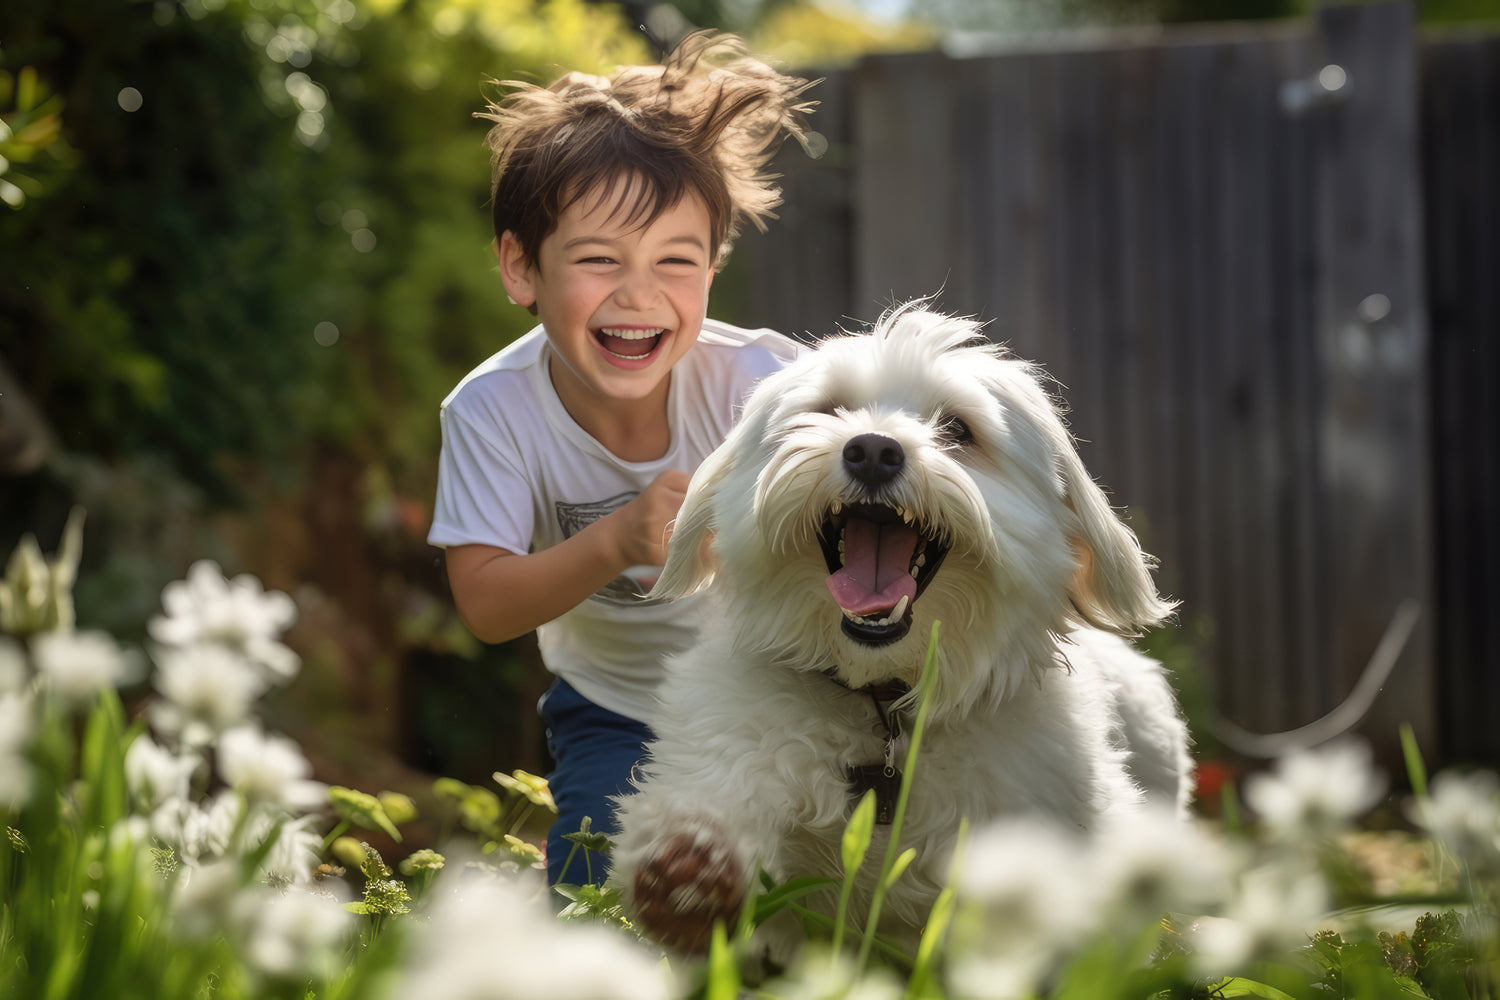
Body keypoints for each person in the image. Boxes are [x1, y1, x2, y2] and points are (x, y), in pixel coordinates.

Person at [427, 32, 818, 886]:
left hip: (785, 696)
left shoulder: (769, 385)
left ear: (712, 268)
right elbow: (488, 606)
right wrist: (614, 542)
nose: (638, 294)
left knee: (820, 889)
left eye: (675, 262)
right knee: (602, 889)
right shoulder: (493, 410)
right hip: (617, 711)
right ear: (520, 267)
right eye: (599, 259)